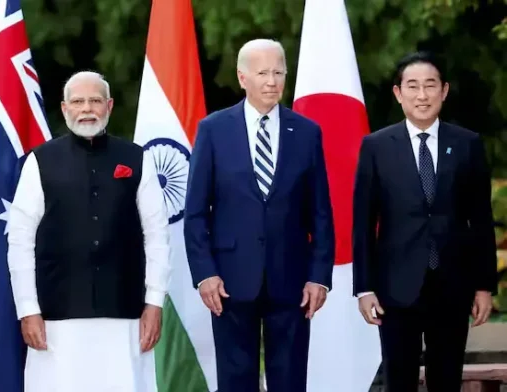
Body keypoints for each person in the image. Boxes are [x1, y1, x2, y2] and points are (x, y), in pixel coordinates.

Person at [184, 38, 335, 392]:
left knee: (290, 379)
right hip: (230, 282)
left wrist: (319, 277)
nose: (272, 81)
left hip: (293, 280)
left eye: (279, 72)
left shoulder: (307, 133)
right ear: (242, 77)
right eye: (263, 72)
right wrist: (205, 274)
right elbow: (195, 213)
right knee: (236, 381)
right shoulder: (213, 130)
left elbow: (321, 213)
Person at [6, 71, 171, 392]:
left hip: (125, 312)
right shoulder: (40, 161)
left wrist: (154, 303)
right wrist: (28, 309)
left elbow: (157, 235)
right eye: (78, 101)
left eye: (95, 100)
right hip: (56, 315)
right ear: (65, 108)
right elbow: (20, 239)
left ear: (109, 105)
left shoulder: (136, 159)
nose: (87, 109)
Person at [352, 51, 497, 391]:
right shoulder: (376, 147)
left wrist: (483, 285)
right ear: (398, 93)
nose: (422, 95)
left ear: (443, 91)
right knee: (399, 379)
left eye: (430, 86)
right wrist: (364, 287)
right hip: (395, 287)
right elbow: (363, 221)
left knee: (445, 379)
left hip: (452, 283)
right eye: (413, 86)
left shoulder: (467, 144)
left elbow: (481, 220)